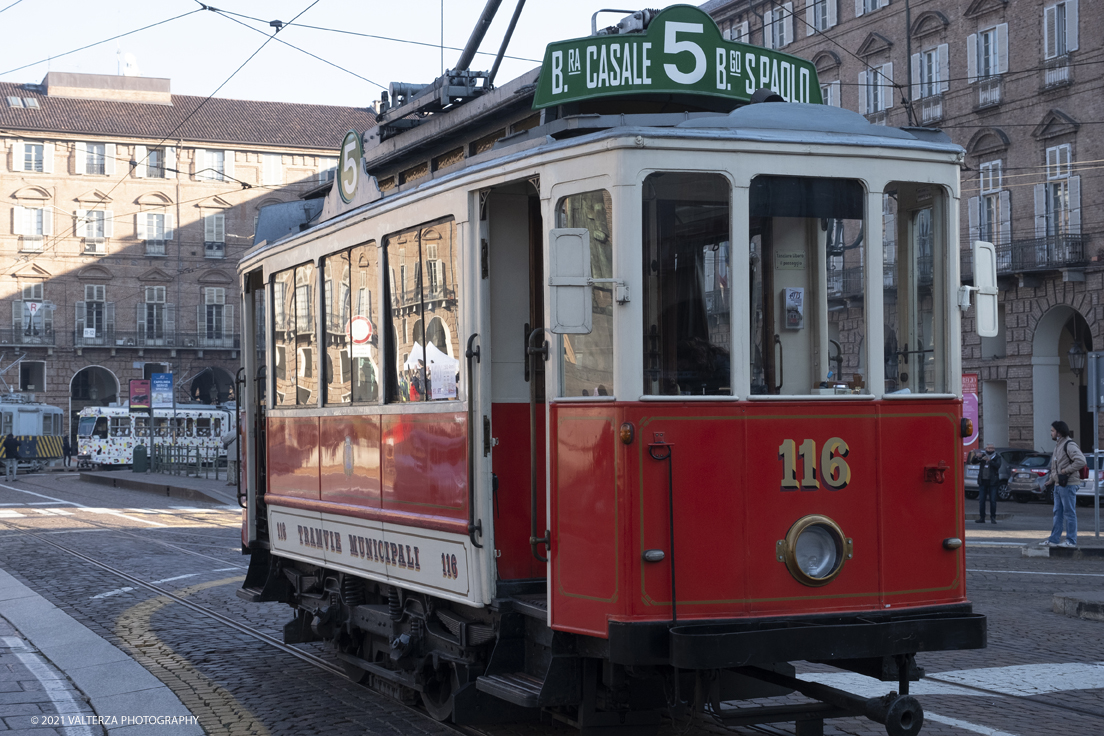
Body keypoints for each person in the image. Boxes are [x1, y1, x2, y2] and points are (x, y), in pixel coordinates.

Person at [1040, 420, 1086, 548]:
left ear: (1059, 433)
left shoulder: (1069, 445)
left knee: (1069, 513)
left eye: (1052, 431)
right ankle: (1054, 539)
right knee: (1057, 512)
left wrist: (1066, 470)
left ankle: (1071, 540)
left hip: (1068, 484)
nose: (1051, 433)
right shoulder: (1058, 446)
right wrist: (1052, 479)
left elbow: (1081, 460)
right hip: (1059, 484)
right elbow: (1056, 465)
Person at [970, 443, 1002, 524]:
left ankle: (993, 518)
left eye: (991, 448)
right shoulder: (983, 456)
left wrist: (990, 461)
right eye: (988, 448)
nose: (990, 449)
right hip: (983, 481)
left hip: (992, 482)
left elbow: (998, 465)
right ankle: (982, 517)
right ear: (986, 449)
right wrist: (977, 456)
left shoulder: (997, 457)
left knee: (993, 500)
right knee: (981, 500)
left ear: (994, 449)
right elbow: (973, 462)